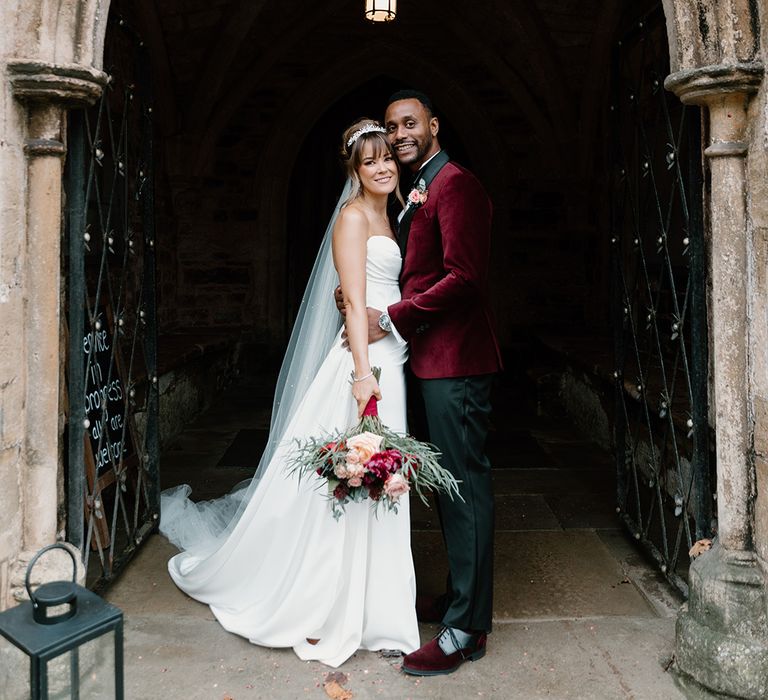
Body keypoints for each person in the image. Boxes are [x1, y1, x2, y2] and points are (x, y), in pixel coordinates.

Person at [159, 118, 419, 668]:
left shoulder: (390, 216)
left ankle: (380, 608)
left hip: (391, 358)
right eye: (369, 161)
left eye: (387, 159)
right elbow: (350, 302)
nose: (381, 167)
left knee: (384, 482)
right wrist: (362, 374)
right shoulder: (351, 218)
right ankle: (330, 602)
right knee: (352, 482)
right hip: (365, 366)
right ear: (354, 169)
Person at [337, 90, 502, 675]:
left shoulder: (455, 183)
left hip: (457, 361)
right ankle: (459, 597)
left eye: (410, 123)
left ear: (434, 124)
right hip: (427, 361)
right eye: (390, 126)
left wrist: (394, 316)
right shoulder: (414, 193)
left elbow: (465, 279)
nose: (400, 134)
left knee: (464, 486)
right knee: (448, 486)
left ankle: (466, 630)